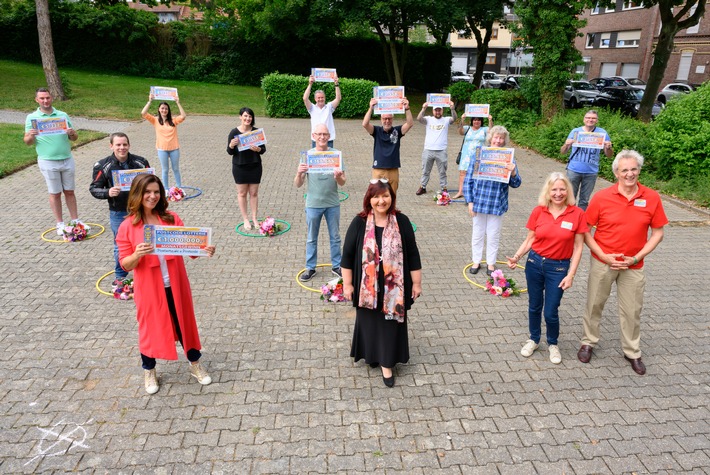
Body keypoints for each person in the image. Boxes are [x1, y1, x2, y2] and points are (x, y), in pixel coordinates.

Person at [116, 174, 215, 394]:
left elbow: (191, 251)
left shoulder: (171, 218)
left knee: (184, 324)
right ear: (138, 194)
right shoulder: (127, 226)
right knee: (149, 327)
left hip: (176, 284)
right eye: (148, 192)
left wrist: (204, 249)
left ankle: (195, 364)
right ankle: (149, 370)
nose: (152, 196)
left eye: (156, 192)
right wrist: (137, 254)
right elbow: (125, 264)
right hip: (149, 288)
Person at [577, 150, 667, 376]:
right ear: (616, 172)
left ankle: (632, 351)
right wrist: (603, 256)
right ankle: (588, 341)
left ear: (639, 170)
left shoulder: (652, 197)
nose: (629, 174)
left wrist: (637, 257)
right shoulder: (601, 197)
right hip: (603, 262)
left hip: (633, 265)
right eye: (624, 170)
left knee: (632, 310)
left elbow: (657, 233)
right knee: (594, 304)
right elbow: (586, 230)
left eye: (634, 169)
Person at [341, 179, 422, 387]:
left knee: (388, 323)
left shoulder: (401, 221)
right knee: (369, 321)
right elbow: (347, 256)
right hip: (367, 287)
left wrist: (417, 283)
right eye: (376, 196)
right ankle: (371, 355)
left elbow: (413, 254)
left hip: (393, 288)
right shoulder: (359, 222)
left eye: (385, 196)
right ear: (369, 199)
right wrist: (348, 285)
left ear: (391, 198)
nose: (381, 200)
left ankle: (387, 364)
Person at [506, 173, 588, 364]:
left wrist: (571, 275)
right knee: (534, 306)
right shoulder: (539, 211)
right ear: (548, 192)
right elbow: (530, 239)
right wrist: (517, 256)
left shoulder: (576, 214)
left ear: (568, 191)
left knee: (551, 311)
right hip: (534, 264)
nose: (558, 193)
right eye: (554, 190)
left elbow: (578, 247)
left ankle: (553, 343)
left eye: (562, 189)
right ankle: (534, 339)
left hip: (558, 268)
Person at [90, 133, 150, 285]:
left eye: (124, 144)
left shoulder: (141, 162)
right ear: (111, 146)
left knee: (145, 241)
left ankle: (147, 271)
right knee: (120, 245)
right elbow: (94, 188)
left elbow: (152, 183)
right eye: (118, 145)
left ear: (129, 145)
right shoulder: (102, 165)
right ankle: (120, 276)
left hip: (141, 210)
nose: (122, 148)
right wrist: (107, 192)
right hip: (118, 212)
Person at [24, 87, 85, 234]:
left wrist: (72, 133)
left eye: (47, 98)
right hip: (48, 161)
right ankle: (60, 223)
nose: (45, 101)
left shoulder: (62, 115)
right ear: (37, 100)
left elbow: (74, 138)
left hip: (67, 159)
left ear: (52, 98)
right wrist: (31, 135)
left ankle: (75, 220)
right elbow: (27, 141)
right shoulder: (32, 118)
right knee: (55, 193)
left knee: (70, 191)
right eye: (42, 98)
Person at [464, 125, 522, 276]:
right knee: (477, 233)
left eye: (501, 138)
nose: (498, 140)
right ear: (490, 138)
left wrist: (513, 171)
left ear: (504, 140)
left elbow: (516, 184)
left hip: (496, 203)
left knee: (493, 234)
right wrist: (470, 201)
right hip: (479, 201)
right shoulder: (480, 154)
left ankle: (491, 263)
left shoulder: (509, 158)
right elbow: (468, 180)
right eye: (496, 137)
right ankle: (476, 261)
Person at [294, 124, 347, 282]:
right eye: (319, 134)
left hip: (332, 203)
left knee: (335, 237)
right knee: (311, 237)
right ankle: (310, 267)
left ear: (329, 135)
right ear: (313, 135)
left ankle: (337, 265)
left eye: (325, 134)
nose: (322, 137)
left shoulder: (336, 155)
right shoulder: (307, 156)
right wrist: (299, 173)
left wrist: (338, 176)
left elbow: (343, 182)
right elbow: (298, 184)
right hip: (313, 203)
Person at [560, 110, 613, 210]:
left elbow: (609, 155)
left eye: (593, 118)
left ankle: (580, 220)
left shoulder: (602, 133)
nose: (590, 120)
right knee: (570, 198)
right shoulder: (575, 132)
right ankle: (568, 219)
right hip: (573, 170)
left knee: (584, 200)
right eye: (588, 118)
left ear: (597, 120)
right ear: (584, 119)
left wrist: (608, 147)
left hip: (591, 172)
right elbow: (563, 152)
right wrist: (566, 144)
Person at [362, 97, 414, 194]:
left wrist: (407, 108)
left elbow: (410, 123)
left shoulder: (397, 131)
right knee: (377, 196)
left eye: (389, 118)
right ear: (381, 119)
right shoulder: (376, 131)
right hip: (378, 170)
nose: (387, 121)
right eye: (384, 118)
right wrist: (370, 108)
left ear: (392, 119)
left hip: (393, 170)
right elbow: (365, 124)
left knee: (392, 196)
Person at [227, 107, 267, 231]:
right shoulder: (234, 132)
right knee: (242, 193)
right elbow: (229, 151)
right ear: (240, 117)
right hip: (240, 167)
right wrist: (231, 145)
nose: (247, 118)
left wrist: (258, 149)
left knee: (254, 193)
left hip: (255, 166)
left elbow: (263, 150)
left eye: (250, 116)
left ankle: (254, 218)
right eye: (245, 116)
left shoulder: (256, 132)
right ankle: (245, 219)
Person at [141, 94, 186, 190]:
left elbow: (183, 116)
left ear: (168, 110)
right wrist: (149, 101)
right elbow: (143, 113)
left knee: (176, 169)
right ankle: (165, 189)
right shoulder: (155, 120)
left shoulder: (173, 120)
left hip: (174, 149)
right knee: (165, 170)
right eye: (162, 108)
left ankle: (179, 188)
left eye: (166, 109)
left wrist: (178, 102)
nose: (164, 110)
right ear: (159, 109)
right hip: (162, 149)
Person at [415, 100, 457, 195]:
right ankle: (423, 186)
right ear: (433, 111)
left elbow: (454, 118)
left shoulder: (446, 119)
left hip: (441, 150)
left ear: (442, 111)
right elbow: (419, 119)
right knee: (425, 170)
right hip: (428, 149)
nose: (437, 112)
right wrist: (423, 108)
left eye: (439, 110)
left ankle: (444, 187)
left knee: (442, 171)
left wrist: (452, 109)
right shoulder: (428, 119)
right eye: (436, 110)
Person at [452, 114, 493, 199]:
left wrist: (490, 120)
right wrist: (462, 119)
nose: (476, 121)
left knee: (476, 174)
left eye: (478, 120)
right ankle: (461, 191)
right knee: (463, 173)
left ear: (481, 121)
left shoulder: (484, 129)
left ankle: (474, 193)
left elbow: (491, 131)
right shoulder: (468, 128)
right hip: (466, 154)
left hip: (478, 155)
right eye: (474, 120)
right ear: (472, 121)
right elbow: (460, 131)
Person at [303, 74, 342, 147]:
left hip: (328, 139)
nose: (320, 99)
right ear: (315, 99)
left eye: (322, 97)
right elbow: (305, 98)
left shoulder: (329, 107)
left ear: (325, 98)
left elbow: (338, 98)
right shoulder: (312, 108)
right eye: (318, 98)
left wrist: (336, 84)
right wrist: (310, 84)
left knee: (329, 158)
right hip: (316, 139)